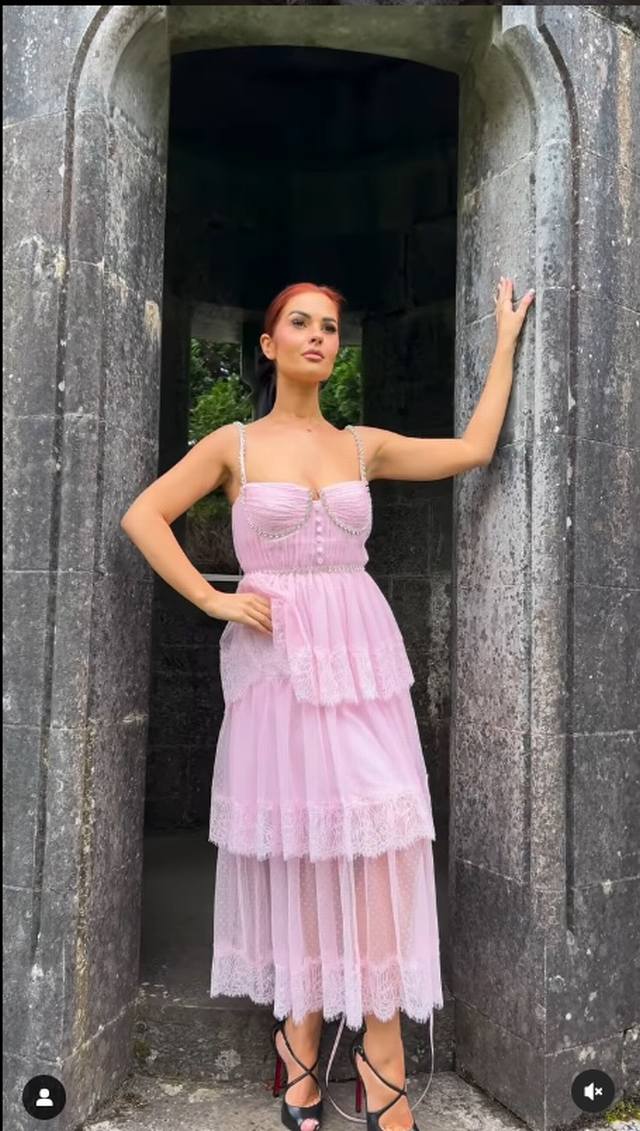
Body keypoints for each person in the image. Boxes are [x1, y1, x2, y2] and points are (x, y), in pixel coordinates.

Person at [121, 278, 534, 1131]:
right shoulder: (232, 445)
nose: (318, 336)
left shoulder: (361, 445)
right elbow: (145, 515)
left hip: (361, 663)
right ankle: (301, 1035)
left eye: (331, 327)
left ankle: (382, 1048)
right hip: (276, 669)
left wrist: (503, 343)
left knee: (385, 835)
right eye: (301, 324)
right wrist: (213, 598)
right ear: (269, 344)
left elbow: (473, 448)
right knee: (303, 844)